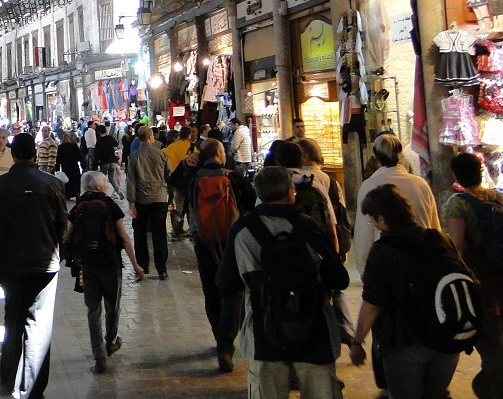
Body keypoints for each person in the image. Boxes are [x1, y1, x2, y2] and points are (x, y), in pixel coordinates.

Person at [217, 166, 350, 398]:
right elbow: (340, 278)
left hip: (264, 333)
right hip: (314, 331)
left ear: (258, 194)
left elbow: (226, 282)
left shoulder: (243, 230)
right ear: (291, 192)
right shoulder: (309, 227)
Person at [348, 185, 463, 399]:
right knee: (437, 394)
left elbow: (372, 305)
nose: (372, 224)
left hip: (404, 340)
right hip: (446, 336)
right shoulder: (439, 239)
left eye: (372, 219)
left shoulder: (382, 251)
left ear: (381, 219)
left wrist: (357, 343)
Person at [0, 134, 68, 399]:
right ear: (35, 156)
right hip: (44, 264)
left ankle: (8, 380)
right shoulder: (52, 185)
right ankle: (33, 387)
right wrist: (58, 254)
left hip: (12, 264)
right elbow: (62, 225)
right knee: (39, 326)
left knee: (13, 320)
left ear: (14, 155)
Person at [444, 151, 503, 399]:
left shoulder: (458, 202)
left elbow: (458, 245)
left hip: (484, 287)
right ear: (480, 172)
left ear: (456, 175)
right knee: (496, 346)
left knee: (495, 351)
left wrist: (461, 279)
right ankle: (486, 388)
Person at [185, 138, 255, 371]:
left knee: (211, 291)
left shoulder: (194, 179)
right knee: (233, 292)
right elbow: (252, 202)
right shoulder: (232, 176)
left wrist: (187, 164)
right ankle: (226, 345)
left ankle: (219, 339)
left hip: (204, 243)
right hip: (233, 243)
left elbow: (175, 187)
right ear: (220, 152)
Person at [67, 171, 143, 374]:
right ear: (101, 186)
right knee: (112, 306)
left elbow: (67, 236)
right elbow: (125, 237)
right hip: (110, 262)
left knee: (93, 310)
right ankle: (110, 342)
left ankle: (99, 356)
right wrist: (136, 265)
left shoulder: (78, 207)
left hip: (88, 265)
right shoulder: (110, 205)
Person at [353, 133, 441, 269]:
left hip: (387, 263)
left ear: (375, 157)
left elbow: (364, 232)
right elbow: (433, 225)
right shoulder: (420, 184)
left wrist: (363, 267)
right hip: (422, 260)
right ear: (401, 155)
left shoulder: (369, 185)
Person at [126, 126, 172, 280]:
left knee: (140, 234)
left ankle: (143, 266)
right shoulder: (161, 155)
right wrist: (170, 198)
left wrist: (131, 203)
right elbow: (169, 177)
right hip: (159, 197)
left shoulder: (134, 157)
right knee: (159, 233)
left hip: (141, 199)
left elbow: (131, 182)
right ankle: (162, 269)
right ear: (151, 136)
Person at [56, 131, 83, 199]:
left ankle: (68, 194)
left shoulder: (60, 147)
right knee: (76, 180)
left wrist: (57, 169)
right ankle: (77, 193)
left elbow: (58, 159)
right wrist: (82, 165)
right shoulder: (74, 145)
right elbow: (79, 156)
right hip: (74, 166)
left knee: (67, 181)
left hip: (65, 167)